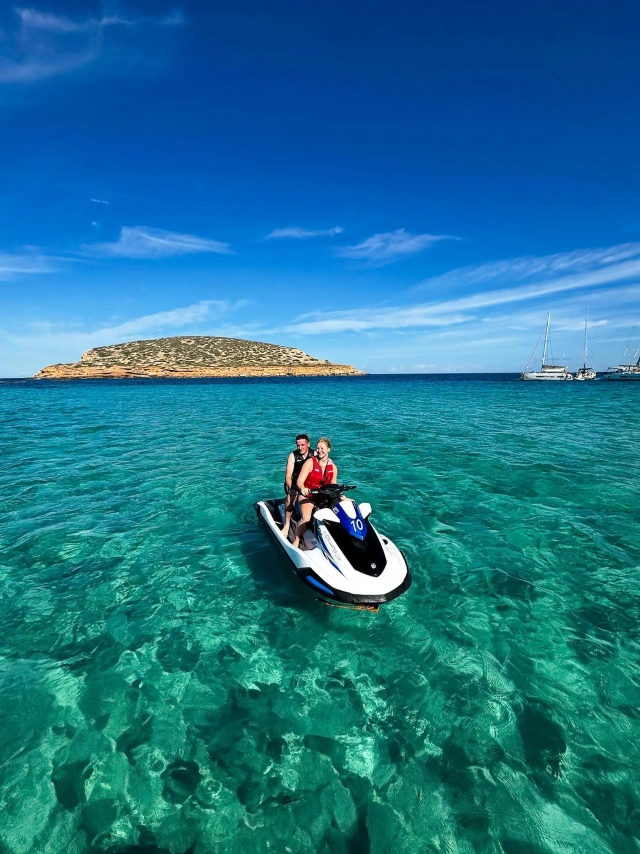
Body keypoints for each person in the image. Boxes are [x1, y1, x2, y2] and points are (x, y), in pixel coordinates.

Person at [292, 437, 338, 550]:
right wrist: (302, 488)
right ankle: (296, 539)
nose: (320, 450)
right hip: (308, 496)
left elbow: (333, 486)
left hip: (323, 497)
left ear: (328, 449)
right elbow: (299, 481)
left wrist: (343, 497)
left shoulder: (333, 467)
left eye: (322, 448)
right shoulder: (310, 462)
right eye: (318, 448)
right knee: (306, 518)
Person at [282, 434, 315, 539]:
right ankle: (286, 525)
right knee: (291, 497)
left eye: (302, 445)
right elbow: (288, 476)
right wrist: (293, 487)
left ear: (308, 444)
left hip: (310, 484)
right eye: (298, 445)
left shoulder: (314, 454)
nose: (300, 448)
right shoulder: (293, 456)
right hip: (296, 484)